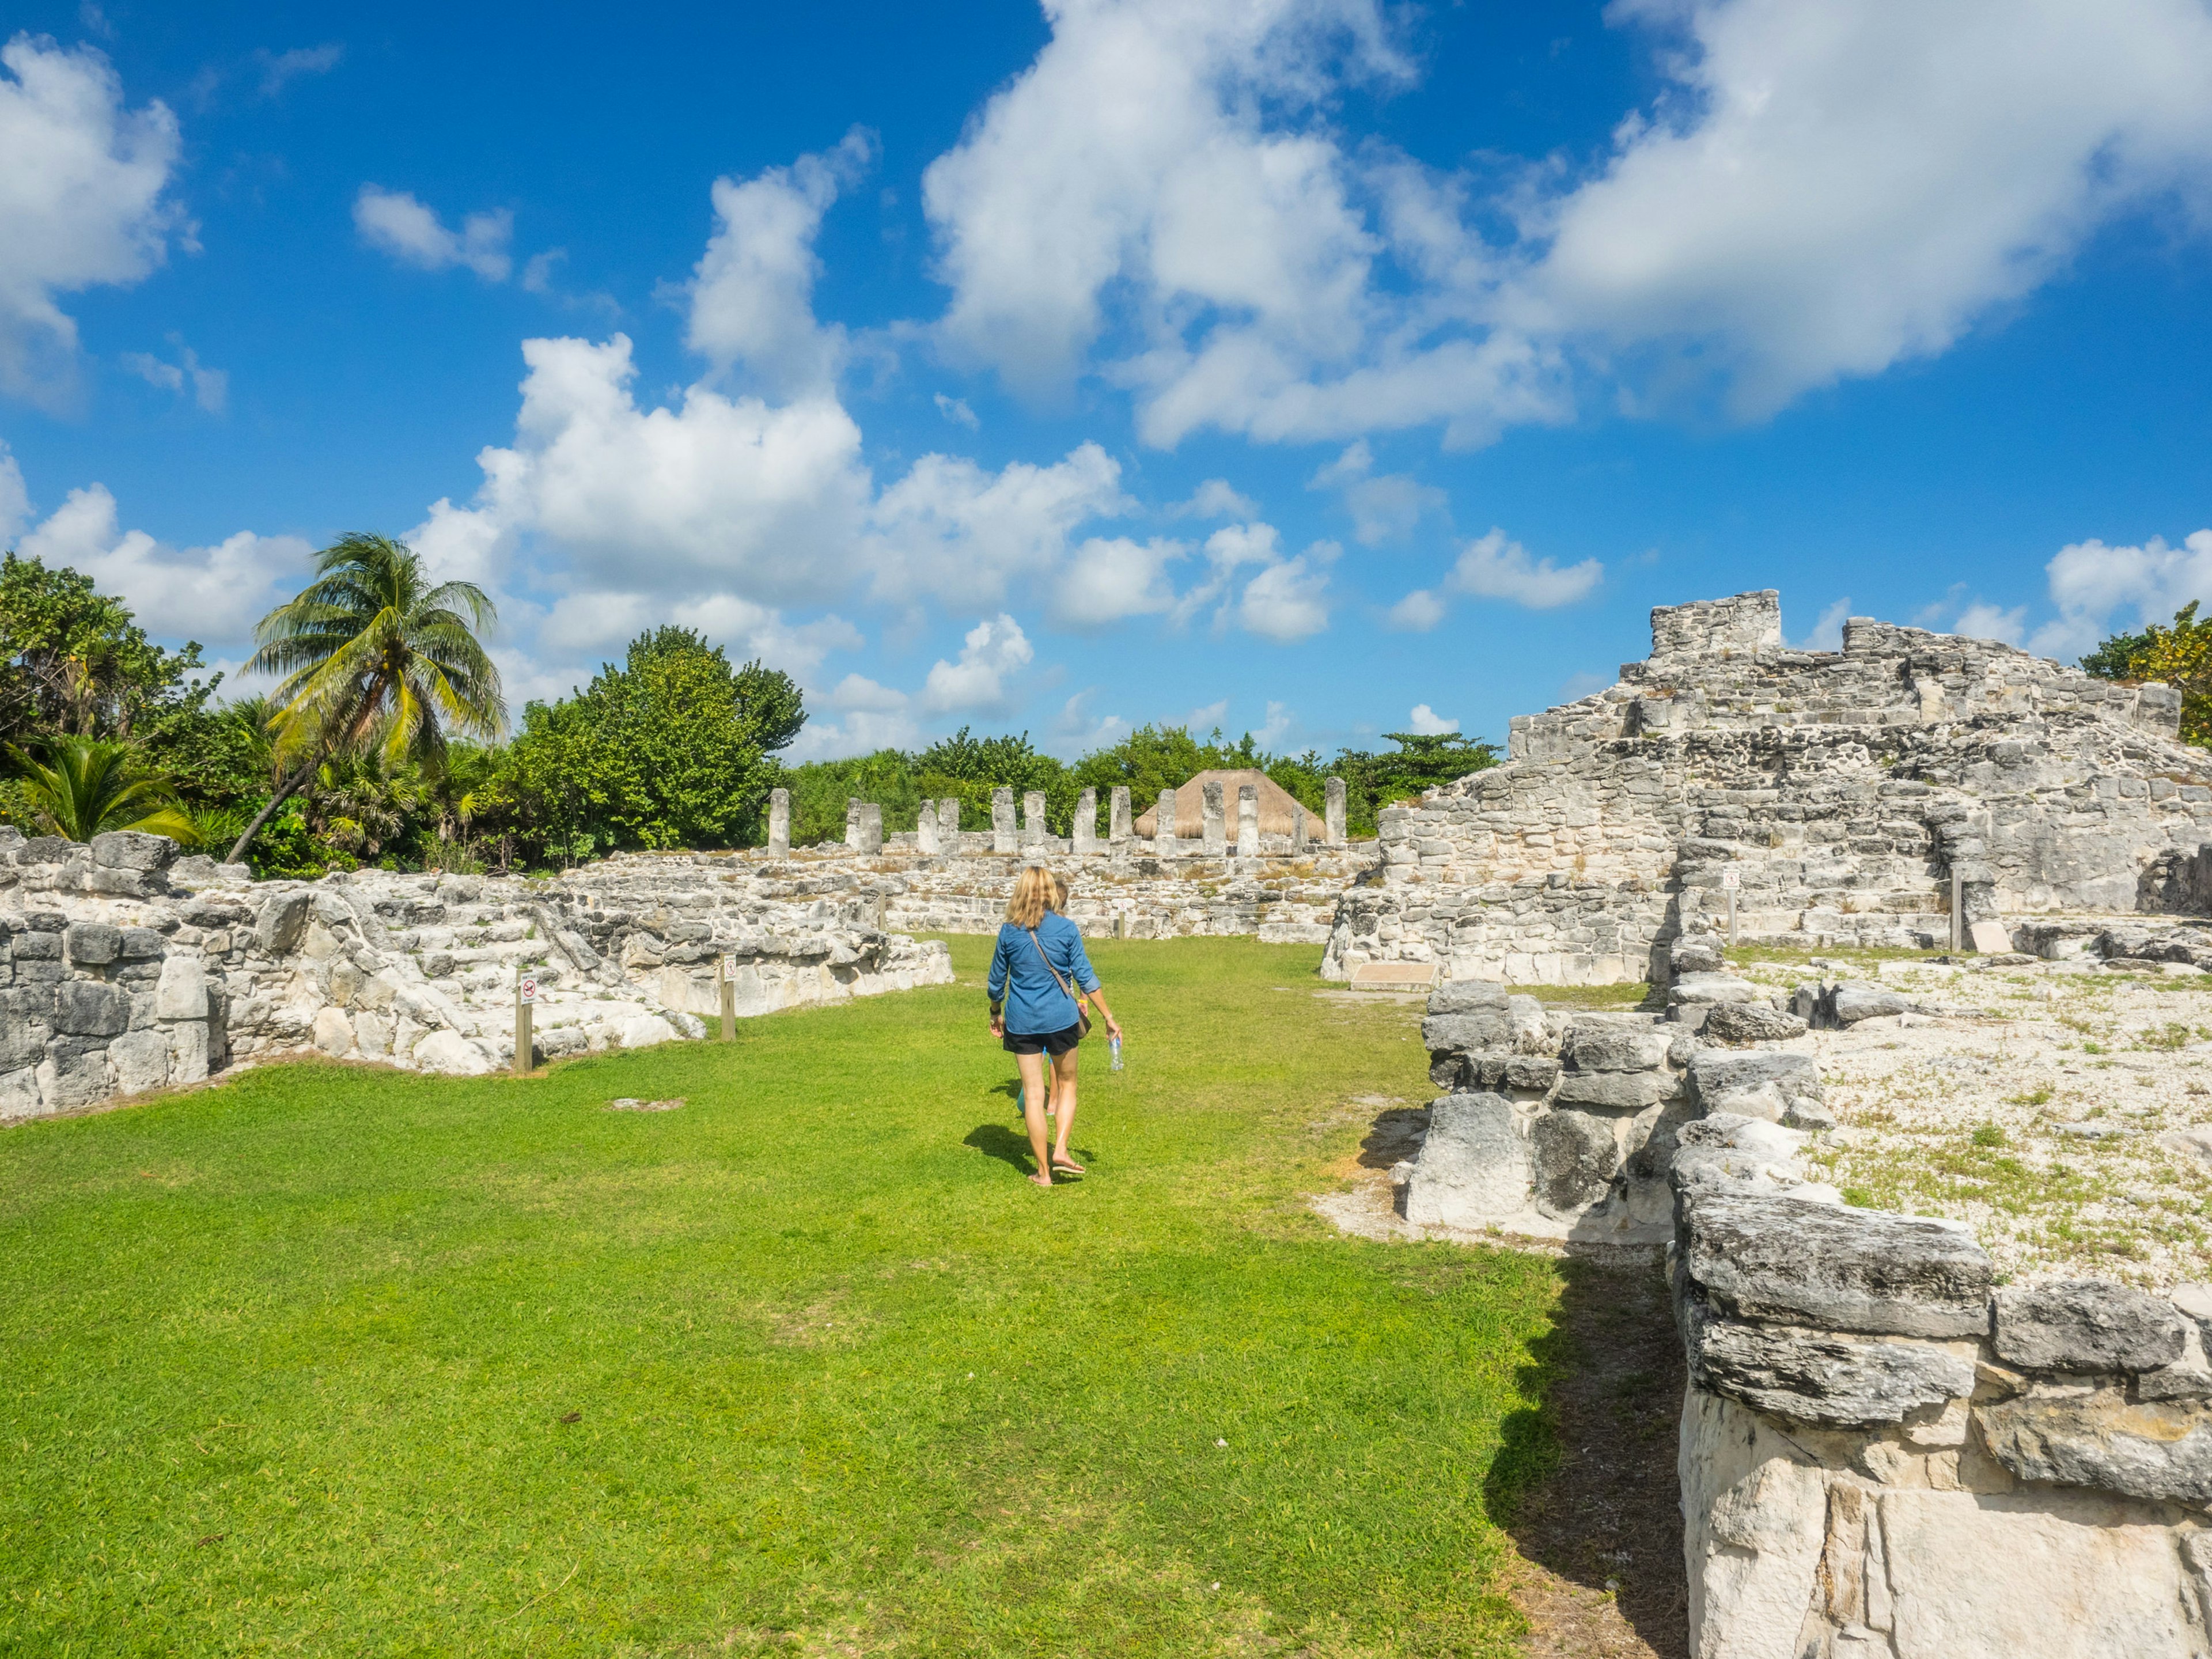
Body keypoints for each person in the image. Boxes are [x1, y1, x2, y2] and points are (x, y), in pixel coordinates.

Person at [987, 865, 1123, 1188]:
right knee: (1068, 1084)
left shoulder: (1009, 931)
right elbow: (1086, 978)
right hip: (1062, 1019)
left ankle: (1043, 1174)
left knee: (1034, 1095)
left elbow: (996, 982)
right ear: (1050, 892)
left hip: (1022, 1021)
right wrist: (1108, 1017)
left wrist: (995, 1012)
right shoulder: (1067, 929)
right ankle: (1060, 1149)